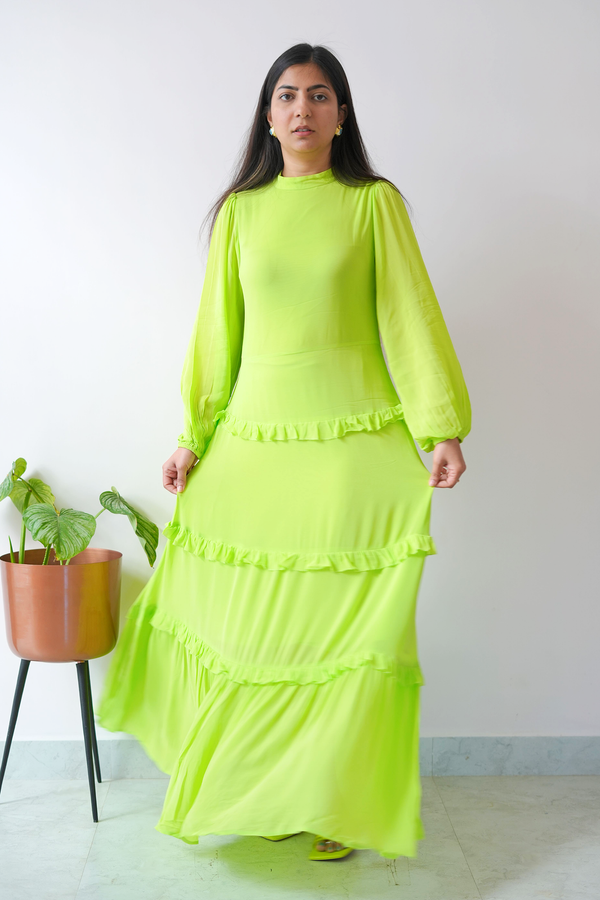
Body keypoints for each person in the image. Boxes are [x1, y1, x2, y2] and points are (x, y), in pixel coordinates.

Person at [96, 42, 470, 863]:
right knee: (250, 635)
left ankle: (335, 799)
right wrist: (193, 438)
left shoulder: (374, 205)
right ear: (268, 115)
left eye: (321, 95)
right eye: (288, 95)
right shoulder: (241, 212)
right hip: (255, 449)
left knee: (341, 637)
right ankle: (264, 788)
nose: (304, 108)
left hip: (349, 448)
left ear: (342, 117)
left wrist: (439, 425)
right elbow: (217, 337)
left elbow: (410, 319)